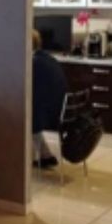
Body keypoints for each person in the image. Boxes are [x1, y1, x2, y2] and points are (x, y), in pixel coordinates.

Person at [32, 29, 68, 168]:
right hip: (60, 111)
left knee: (20, 116)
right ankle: (45, 155)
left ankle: (22, 160)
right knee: (30, 113)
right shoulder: (48, 58)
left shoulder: (34, 64)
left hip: (49, 115)